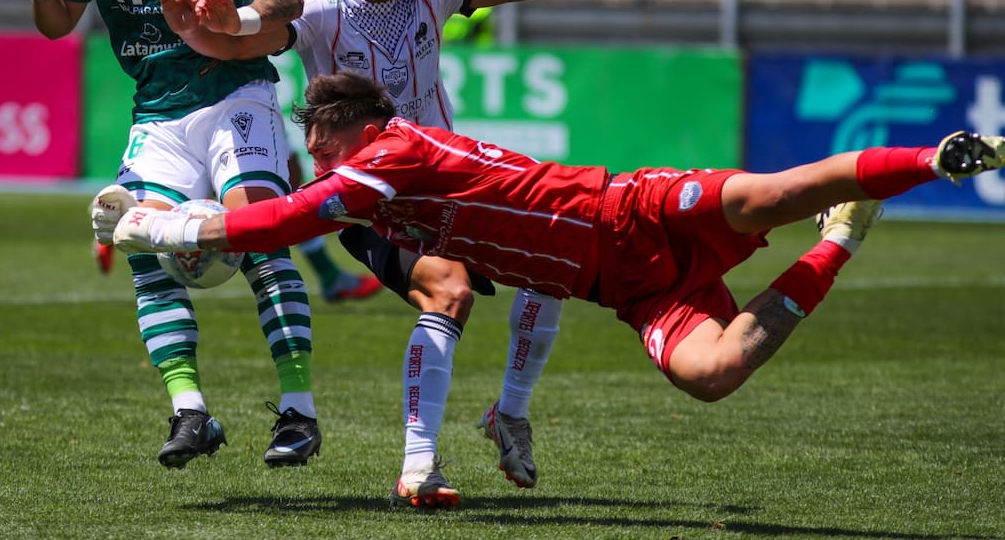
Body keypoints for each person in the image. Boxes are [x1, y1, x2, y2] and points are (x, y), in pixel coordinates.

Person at [114, 72, 1005, 481]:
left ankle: (935, 157)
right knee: (713, 375)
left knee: (770, 192)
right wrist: (194, 234)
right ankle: (843, 238)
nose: (315, 153)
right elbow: (291, 230)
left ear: (350, 127)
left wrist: (167, 222)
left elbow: (284, 218)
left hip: (628, 210)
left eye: (320, 138)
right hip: (629, 288)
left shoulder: (391, 152)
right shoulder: (373, 188)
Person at [153, 0, 562, 508]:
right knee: (448, 292)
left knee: (553, 259)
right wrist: (207, 24)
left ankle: (509, 412)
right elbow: (242, 41)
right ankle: (419, 466)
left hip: (446, 182)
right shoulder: (319, 9)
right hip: (369, 197)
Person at [7, 0, 323, 472]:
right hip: (158, 112)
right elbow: (60, 22)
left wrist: (232, 18)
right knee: (139, 244)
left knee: (262, 231)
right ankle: (191, 411)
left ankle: (298, 413)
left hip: (233, 94)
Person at [207, 0, 383, 304]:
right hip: (204, 61)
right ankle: (129, 226)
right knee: (242, 172)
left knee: (281, 168)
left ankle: (325, 276)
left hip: (251, 60)